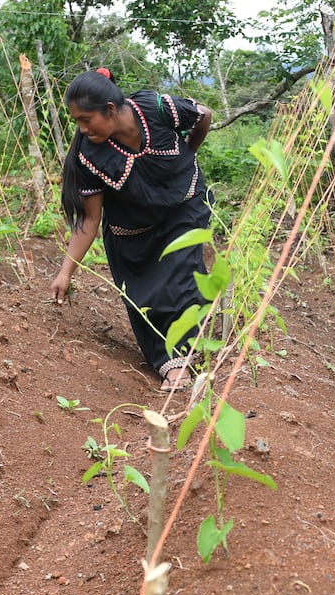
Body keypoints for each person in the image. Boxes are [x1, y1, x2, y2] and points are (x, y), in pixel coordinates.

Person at [50, 68, 213, 392]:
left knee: (181, 272)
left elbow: (203, 115)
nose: (82, 129)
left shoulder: (157, 108)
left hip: (183, 204)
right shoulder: (90, 155)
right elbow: (89, 220)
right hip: (131, 231)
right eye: (77, 122)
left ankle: (191, 352)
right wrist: (66, 271)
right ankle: (170, 362)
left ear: (110, 110)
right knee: (144, 295)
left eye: (86, 119)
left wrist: (187, 153)